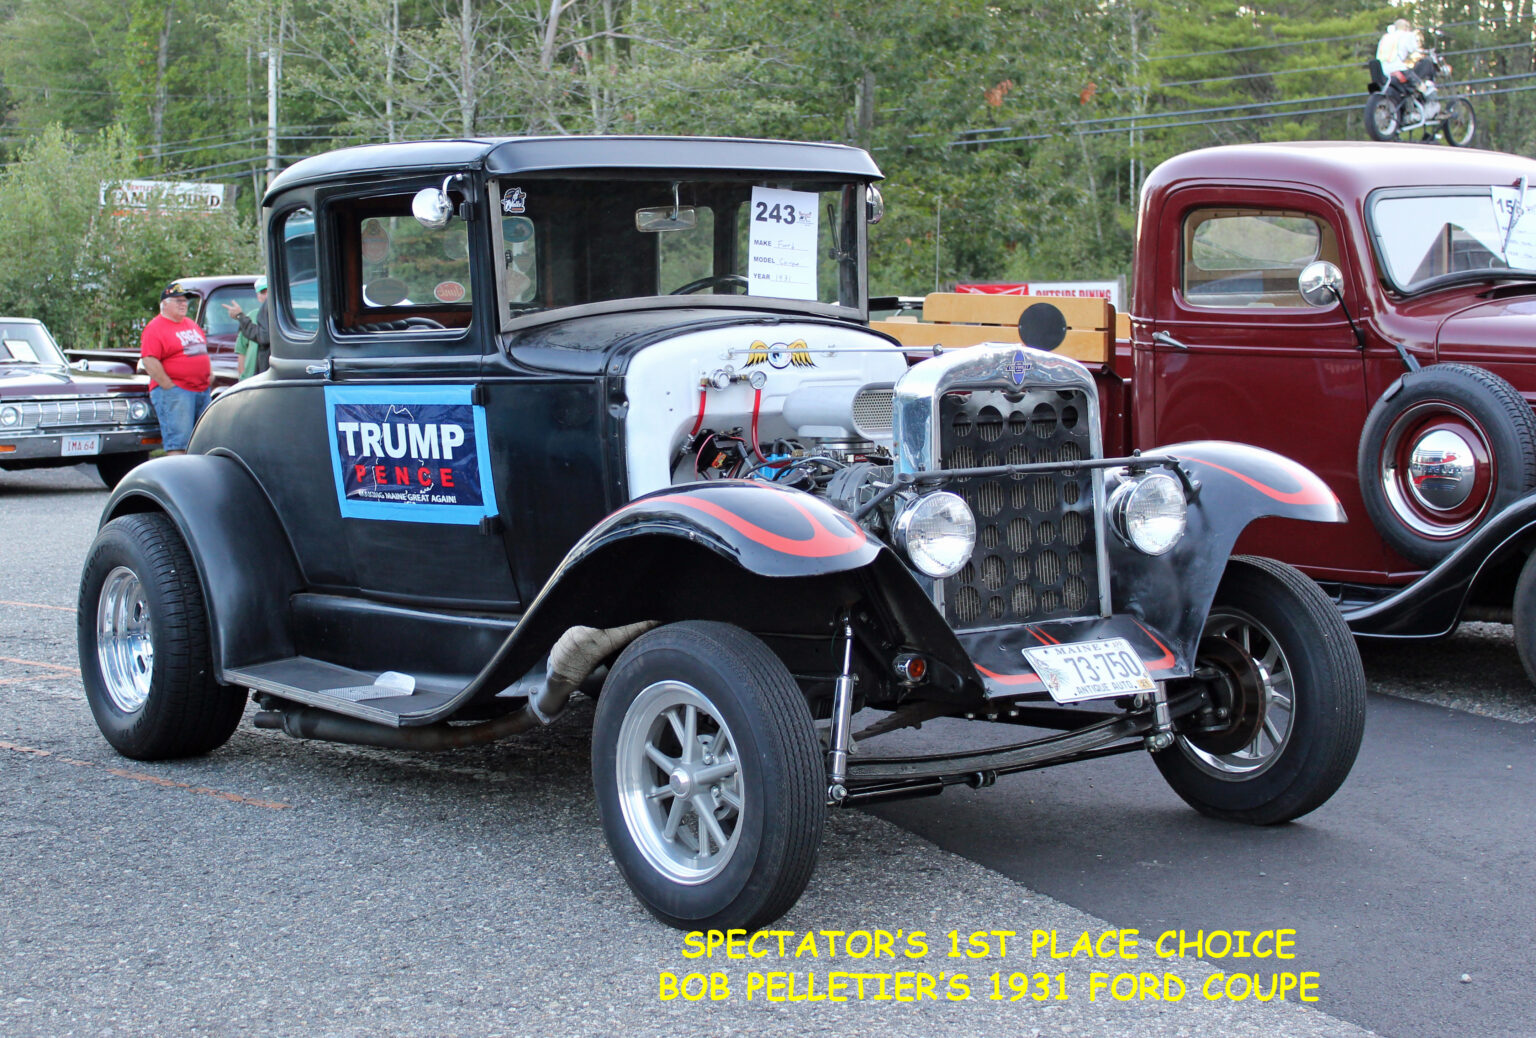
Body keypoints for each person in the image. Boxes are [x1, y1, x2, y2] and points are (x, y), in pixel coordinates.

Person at [140, 282, 212, 456]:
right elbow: (149, 359)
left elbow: (199, 351)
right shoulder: (155, 328)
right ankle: (180, 481)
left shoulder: (190, 324)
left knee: (203, 442)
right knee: (179, 444)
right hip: (176, 393)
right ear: (164, 304)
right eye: (178, 300)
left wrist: (209, 374)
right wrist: (169, 386)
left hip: (201, 390)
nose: (183, 304)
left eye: (185, 300)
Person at [223, 275, 270, 377]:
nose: (266, 295)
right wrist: (243, 378)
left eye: (269, 291)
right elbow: (242, 351)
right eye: (263, 292)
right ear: (258, 296)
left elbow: (265, 337)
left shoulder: (281, 316)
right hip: (252, 379)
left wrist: (240, 316)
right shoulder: (251, 316)